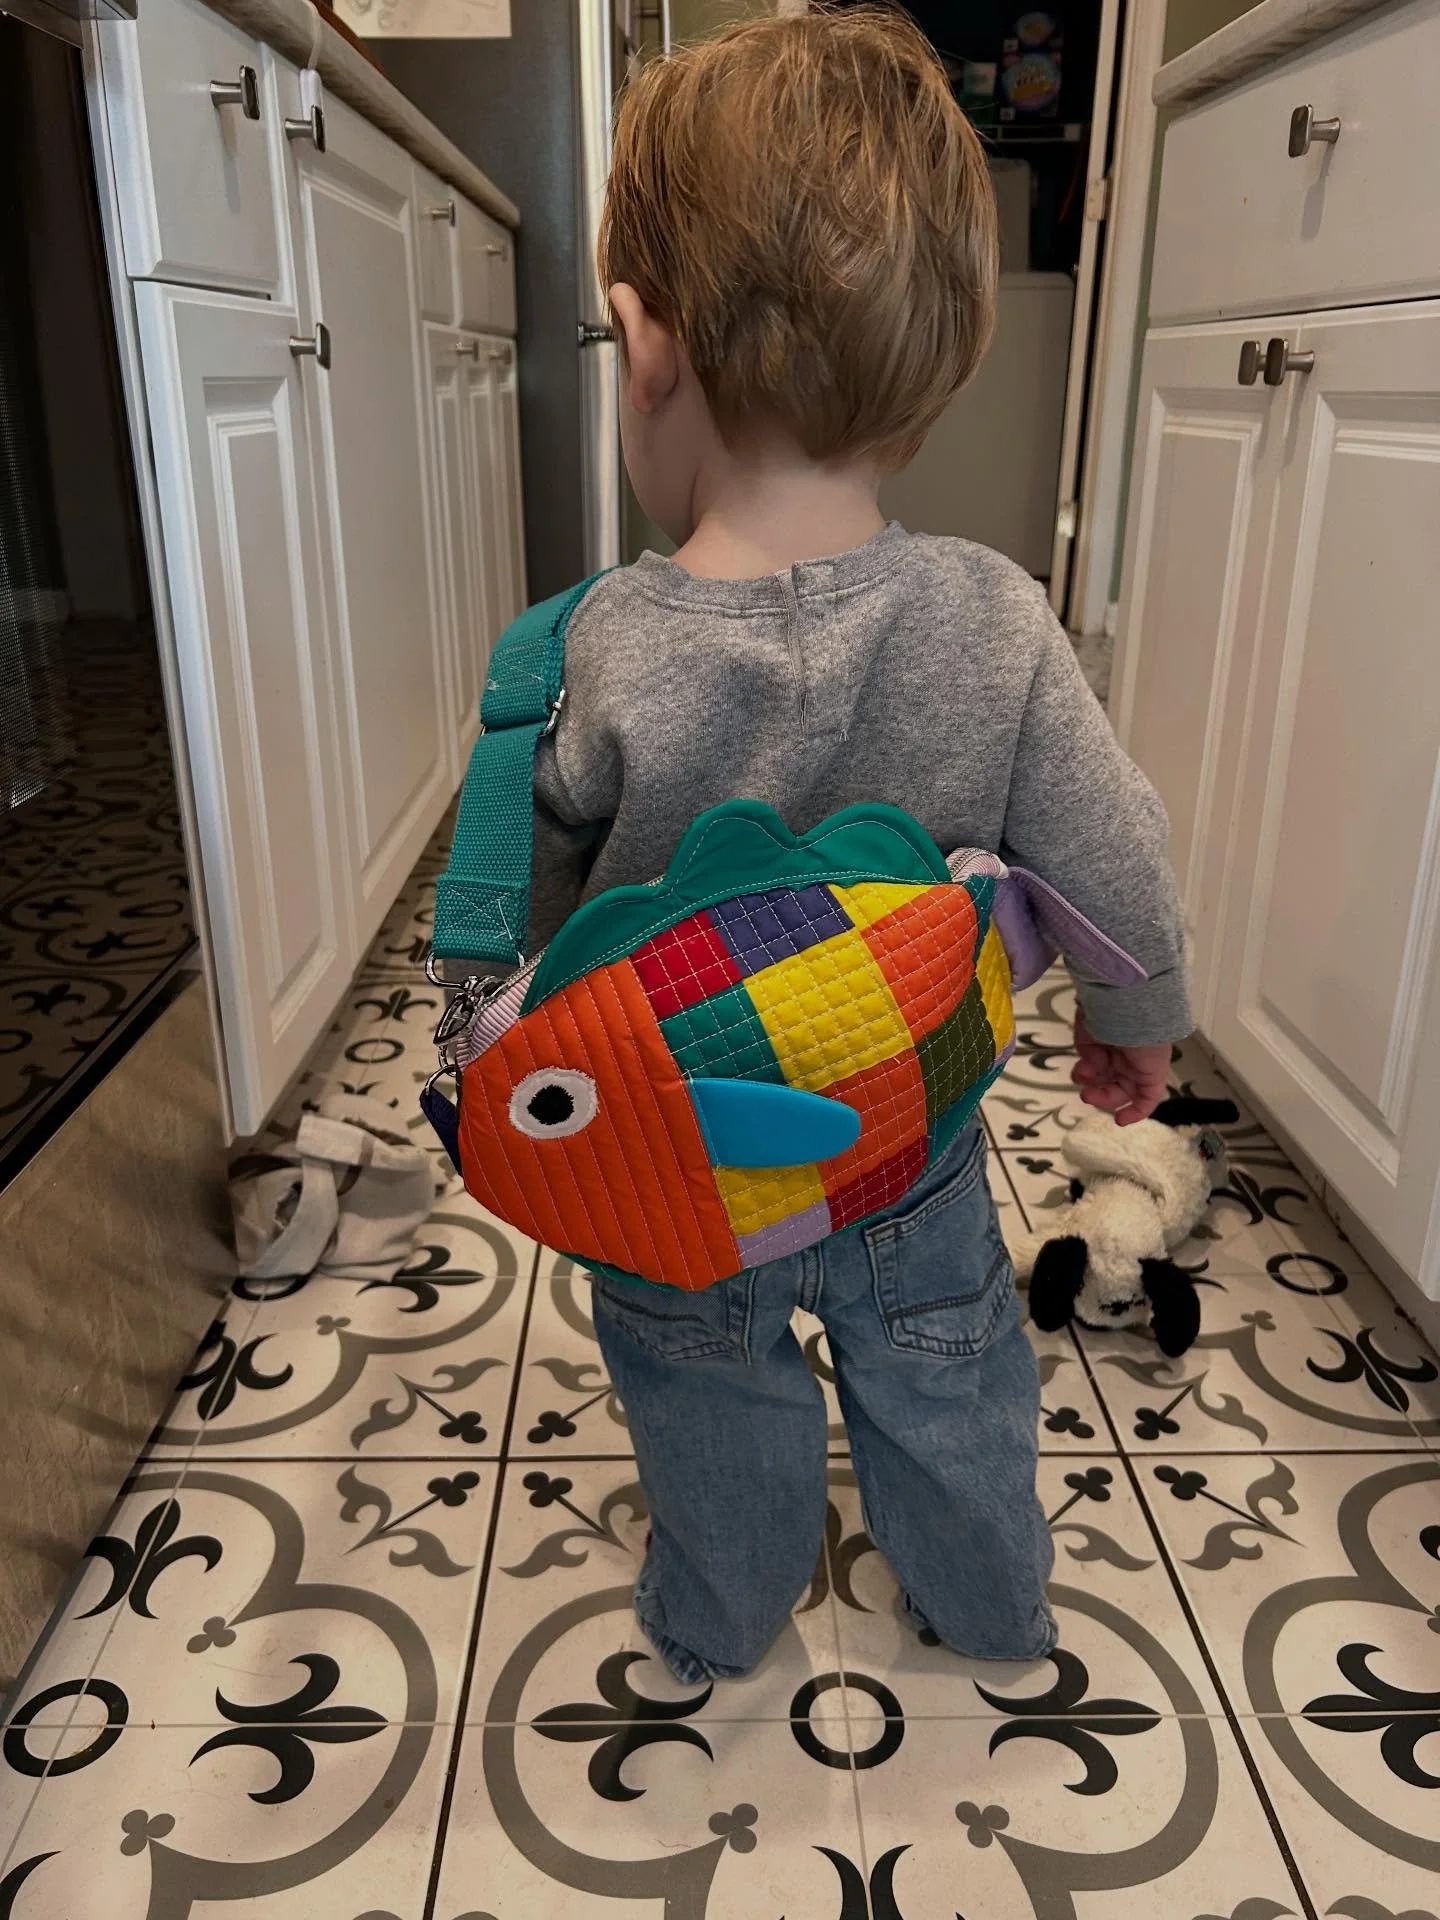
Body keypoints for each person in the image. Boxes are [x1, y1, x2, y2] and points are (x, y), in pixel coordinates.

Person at [526, 6, 1190, 1685]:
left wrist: (504, 1030)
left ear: (642, 341)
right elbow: (1113, 847)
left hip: (684, 1166)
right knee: (951, 1374)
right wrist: (1136, 1019)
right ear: (940, 355)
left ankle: (719, 1615)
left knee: (704, 1390)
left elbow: (534, 892)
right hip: (911, 1138)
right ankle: (991, 1605)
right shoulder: (993, 616)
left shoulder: (602, 641)